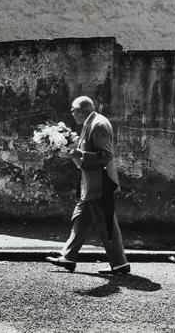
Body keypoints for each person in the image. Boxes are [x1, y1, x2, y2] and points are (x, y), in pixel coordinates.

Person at [46, 96, 130, 274]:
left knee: (106, 223)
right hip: (90, 182)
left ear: (83, 110)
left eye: (74, 110)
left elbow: (106, 155)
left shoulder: (98, 125)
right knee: (80, 219)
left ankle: (120, 263)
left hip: (100, 183)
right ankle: (68, 257)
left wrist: (81, 154)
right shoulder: (90, 122)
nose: (72, 113)